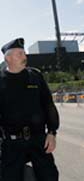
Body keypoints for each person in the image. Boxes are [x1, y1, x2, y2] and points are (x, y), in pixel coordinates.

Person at [0, 38, 60, 181]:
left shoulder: (35, 76)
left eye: (24, 53)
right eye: (19, 54)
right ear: (8, 58)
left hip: (38, 140)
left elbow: (48, 105)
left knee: (49, 176)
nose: (24, 57)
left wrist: (52, 132)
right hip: (11, 144)